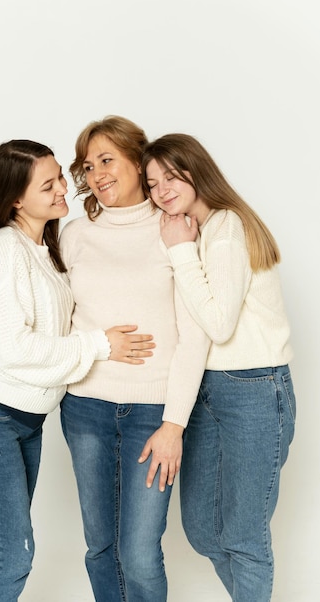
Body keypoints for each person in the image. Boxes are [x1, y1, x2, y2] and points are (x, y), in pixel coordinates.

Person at [0, 139, 155, 602]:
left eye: (61, 175)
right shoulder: (6, 249)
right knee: (14, 555)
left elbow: (45, 321)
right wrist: (102, 345)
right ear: (16, 198)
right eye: (49, 185)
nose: (64, 188)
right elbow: (17, 348)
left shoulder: (47, 247)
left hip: (24, 419)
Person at [59, 116, 210, 602]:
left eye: (108, 160)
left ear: (136, 160)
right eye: (88, 166)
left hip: (153, 413)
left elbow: (196, 336)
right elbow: (52, 314)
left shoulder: (174, 228)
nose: (98, 174)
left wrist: (174, 424)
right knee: (101, 547)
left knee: (140, 551)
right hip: (84, 408)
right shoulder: (74, 235)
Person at [142, 133, 296, 602]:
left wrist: (179, 251)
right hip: (209, 390)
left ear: (196, 169)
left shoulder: (226, 227)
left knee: (244, 537)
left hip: (254, 388)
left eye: (171, 175)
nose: (162, 189)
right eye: (152, 183)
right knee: (203, 529)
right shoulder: (201, 229)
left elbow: (219, 324)